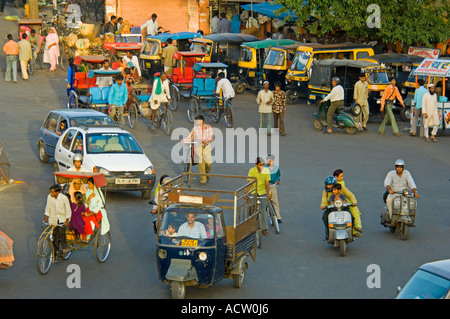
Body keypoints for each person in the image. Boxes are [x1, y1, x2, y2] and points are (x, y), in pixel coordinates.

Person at [182, 115, 213, 185]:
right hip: (198, 147)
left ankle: (206, 173)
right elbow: (190, 137)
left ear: (202, 121)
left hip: (206, 146)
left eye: (198, 121)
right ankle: (203, 180)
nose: (196, 122)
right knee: (201, 163)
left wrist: (205, 141)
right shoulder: (195, 129)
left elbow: (211, 137)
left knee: (209, 163)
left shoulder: (208, 127)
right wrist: (184, 140)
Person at [43, 184, 72, 259]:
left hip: (62, 218)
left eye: (52, 192)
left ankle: (65, 247)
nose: (51, 194)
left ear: (57, 192)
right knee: (55, 236)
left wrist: (66, 221)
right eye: (50, 192)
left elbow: (68, 211)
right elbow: (48, 208)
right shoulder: (49, 197)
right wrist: (45, 219)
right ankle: (54, 254)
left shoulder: (64, 198)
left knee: (61, 231)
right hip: (54, 218)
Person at [333, 169, 362, 236]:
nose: (342, 178)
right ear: (336, 177)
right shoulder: (333, 185)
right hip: (336, 204)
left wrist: (353, 202)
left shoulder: (341, 184)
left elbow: (349, 194)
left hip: (344, 202)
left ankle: (356, 229)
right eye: (341, 176)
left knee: (353, 213)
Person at [247, 157, 271, 237]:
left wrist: (268, 194)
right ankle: (250, 227)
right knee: (250, 209)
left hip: (262, 192)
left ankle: (264, 228)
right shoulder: (252, 171)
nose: (262, 167)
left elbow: (267, 184)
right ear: (256, 165)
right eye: (260, 165)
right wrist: (246, 193)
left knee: (263, 210)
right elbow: (249, 183)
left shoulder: (266, 171)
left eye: (263, 165)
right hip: (254, 192)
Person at [265, 154, 282, 223]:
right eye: (268, 161)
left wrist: (278, 180)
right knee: (266, 201)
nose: (270, 162)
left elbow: (278, 175)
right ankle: (269, 212)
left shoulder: (276, 168)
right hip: (266, 186)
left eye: (271, 161)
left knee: (275, 202)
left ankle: (278, 217)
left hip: (273, 186)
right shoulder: (264, 168)